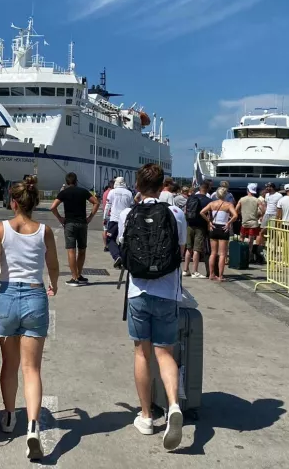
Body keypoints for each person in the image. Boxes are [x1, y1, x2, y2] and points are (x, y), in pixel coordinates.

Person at [0, 176, 60, 461]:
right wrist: (54, 284)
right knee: (32, 369)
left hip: (7, 297)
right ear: (33, 203)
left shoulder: (0, 229)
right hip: (35, 296)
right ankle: (33, 426)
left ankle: (9, 415)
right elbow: (53, 265)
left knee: (9, 365)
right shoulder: (44, 231)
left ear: (13, 203)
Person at [116, 163, 187, 451]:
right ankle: (173, 406)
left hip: (138, 292)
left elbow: (123, 247)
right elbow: (180, 249)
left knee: (141, 353)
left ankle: (146, 416)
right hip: (168, 292)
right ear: (162, 186)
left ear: (137, 185)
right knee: (165, 353)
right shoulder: (176, 213)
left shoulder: (127, 214)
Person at [49, 172, 99, 286]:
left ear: (67, 182)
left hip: (69, 224)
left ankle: (74, 277)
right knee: (82, 250)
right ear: (76, 181)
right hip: (82, 223)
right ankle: (79, 275)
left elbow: (53, 207)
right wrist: (90, 217)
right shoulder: (83, 191)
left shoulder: (64, 193)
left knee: (71, 250)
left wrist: (60, 218)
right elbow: (96, 202)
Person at [201, 188, 238, 281]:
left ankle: (211, 274)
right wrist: (228, 223)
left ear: (217, 195)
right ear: (225, 195)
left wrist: (209, 222)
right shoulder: (228, 205)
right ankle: (220, 276)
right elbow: (235, 215)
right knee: (222, 254)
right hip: (223, 228)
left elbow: (202, 212)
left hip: (214, 227)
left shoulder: (212, 204)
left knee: (213, 253)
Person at [182, 181, 212, 279]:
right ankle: (195, 271)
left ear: (199, 188)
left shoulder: (191, 198)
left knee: (188, 248)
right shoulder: (208, 200)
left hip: (190, 225)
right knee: (197, 249)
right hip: (200, 227)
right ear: (207, 189)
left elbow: (186, 211)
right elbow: (209, 215)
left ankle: (185, 270)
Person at [237, 183, 265, 264]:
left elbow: (236, 209)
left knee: (241, 238)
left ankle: (240, 255)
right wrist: (260, 215)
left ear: (247, 190)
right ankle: (248, 257)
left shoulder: (242, 199)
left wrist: (240, 214)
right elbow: (263, 210)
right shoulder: (257, 200)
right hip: (253, 223)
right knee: (251, 241)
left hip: (244, 222)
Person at [101, 179, 115, 251]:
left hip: (105, 214)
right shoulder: (112, 193)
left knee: (105, 230)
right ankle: (111, 245)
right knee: (112, 231)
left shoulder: (105, 192)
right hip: (111, 214)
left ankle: (106, 246)